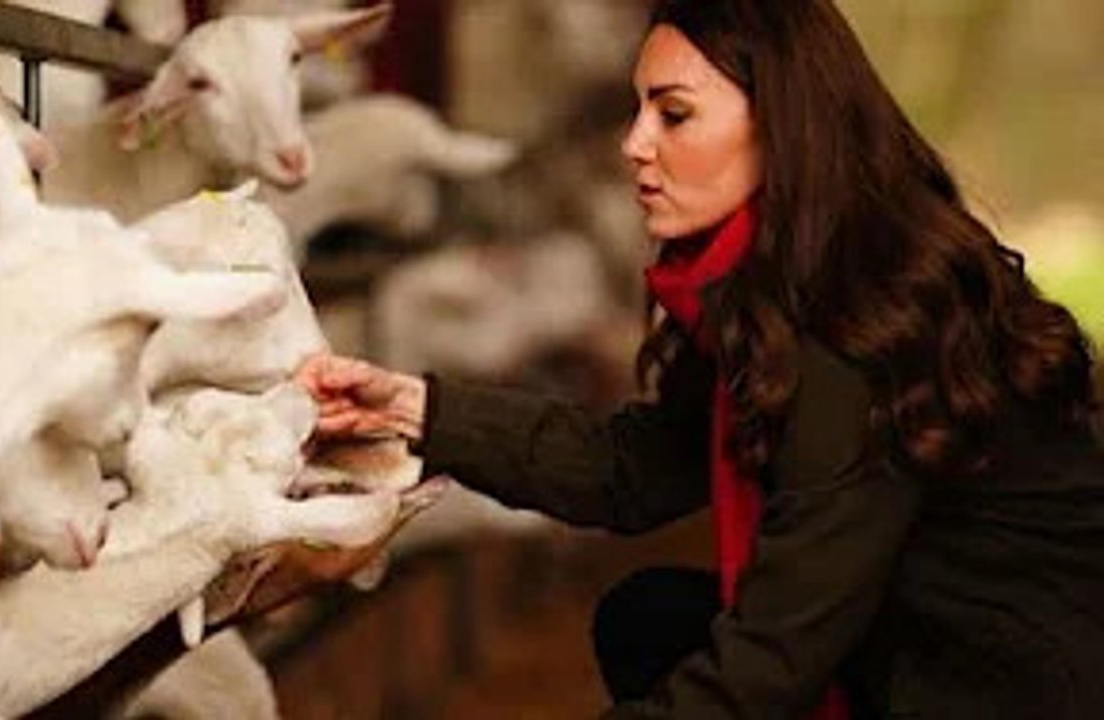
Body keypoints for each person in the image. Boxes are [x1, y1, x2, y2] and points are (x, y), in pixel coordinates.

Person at [296, 0, 1104, 717]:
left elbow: (773, 658)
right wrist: (417, 411)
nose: (634, 145)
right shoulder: (772, 285)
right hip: (913, 631)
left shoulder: (855, 328)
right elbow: (631, 471)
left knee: (694, 646)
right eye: (638, 109)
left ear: (782, 125)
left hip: (1004, 681)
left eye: (673, 115)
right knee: (651, 621)